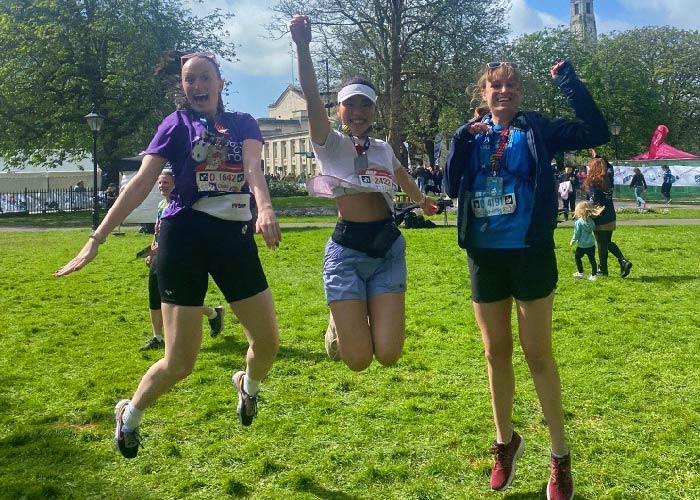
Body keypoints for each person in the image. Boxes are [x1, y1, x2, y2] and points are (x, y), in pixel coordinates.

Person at [55, 51, 281, 458]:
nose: (196, 86)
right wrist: (97, 237)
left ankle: (248, 388)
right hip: (185, 239)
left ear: (219, 82)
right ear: (183, 86)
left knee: (267, 344)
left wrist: (265, 208)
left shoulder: (243, 123)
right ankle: (129, 415)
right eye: (188, 80)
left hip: (234, 239)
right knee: (180, 362)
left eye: (204, 78)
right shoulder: (175, 125)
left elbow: (253, 171)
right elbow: (140, 184)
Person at [444, 60, 610, 500]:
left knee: (537, 355)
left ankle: (559, 456)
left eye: (511, 85)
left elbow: (596, 131)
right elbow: (450, 186)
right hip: (484, 256)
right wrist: (461, 138)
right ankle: (505, 443)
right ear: (483, 92)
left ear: (520, 92)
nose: (503, 91)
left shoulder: (538, 129)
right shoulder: (470, 133)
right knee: (495, 352)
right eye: (495, 85)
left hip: (529, 254)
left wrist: (568, 82)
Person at [290, 15, 438, 371]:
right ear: (339, 109)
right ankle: (339, 322)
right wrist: (303, 47)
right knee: (357, 361)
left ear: (374, 109)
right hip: (347, 252)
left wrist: (423, 201)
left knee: (388, 355)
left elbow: (402, 177)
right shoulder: (330, 145)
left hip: (387, 248)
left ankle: (356, 312)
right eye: (350, 105)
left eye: (365, 105)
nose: (358, 112)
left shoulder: (383, 149)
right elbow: (311, 97)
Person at [140, 168, 225, 351]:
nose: (162, 186)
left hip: (177, 258)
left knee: (179, 300)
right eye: (160, 183)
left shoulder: (184, 207)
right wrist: (152, 252)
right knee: (155, 297)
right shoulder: (161, 206)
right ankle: (158, 337)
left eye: (166, 183)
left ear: (176, 184)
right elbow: (158, 233)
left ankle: (212, 314)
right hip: (159, 257)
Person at [586, 157, 632, 278]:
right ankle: (622, 261)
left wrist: (586, 212)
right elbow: (609, 167)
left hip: (600, 216)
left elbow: (595, 202)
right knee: (607, 242)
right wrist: (597, 156)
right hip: (610, 215)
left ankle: (604, 270)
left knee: (601, 244)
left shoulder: (594, 182)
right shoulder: (608, 179)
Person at [570, 201, 601, 280]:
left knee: (577, 257)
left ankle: (580, 272)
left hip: (581, 245)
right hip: (591, 244)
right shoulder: (591, 221)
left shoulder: (578, 222)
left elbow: (577, 234)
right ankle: (594, 275)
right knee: (592, 259)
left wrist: (573, 240)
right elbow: (593, 228)